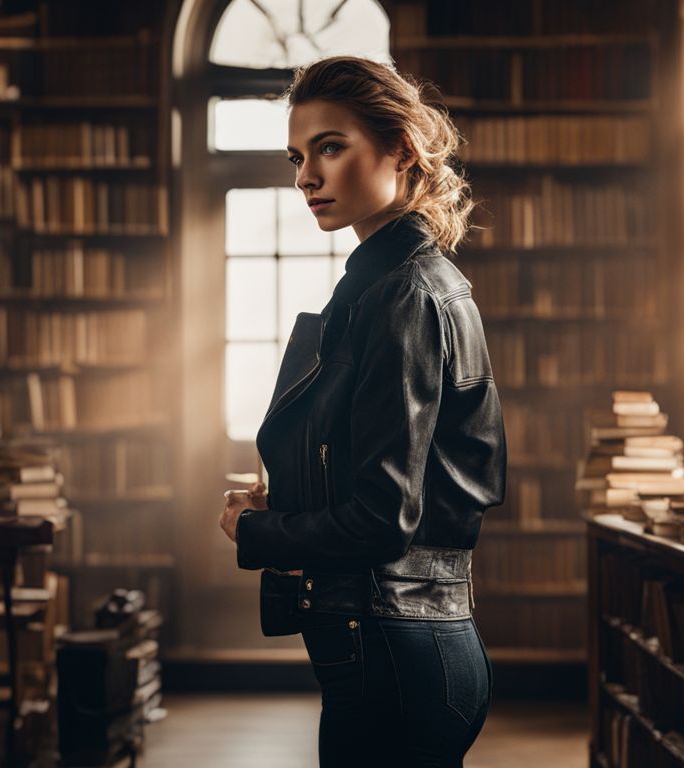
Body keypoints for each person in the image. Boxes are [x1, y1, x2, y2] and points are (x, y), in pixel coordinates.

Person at [217, 55, 507, 766]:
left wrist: (258, 529)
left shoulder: (399, 295)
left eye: (331, 147)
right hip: (412, 643)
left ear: (401, 151)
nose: (305, 176)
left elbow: (383, 518)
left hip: (391, 650)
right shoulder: (419, 280)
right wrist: (290, 492)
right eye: (296, 156)